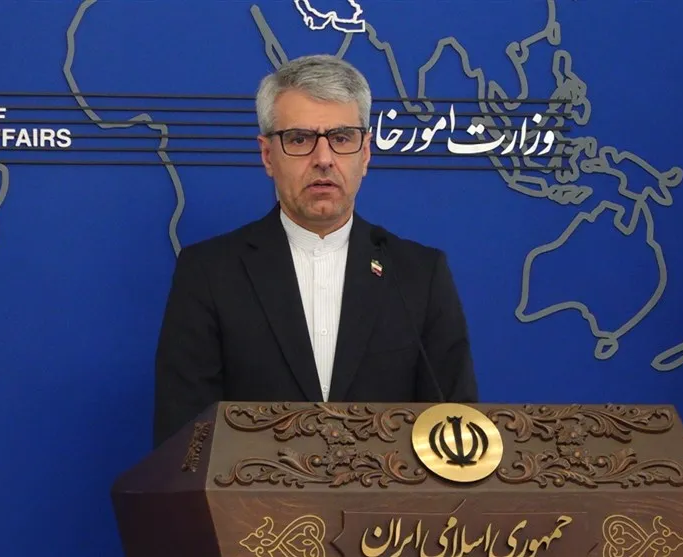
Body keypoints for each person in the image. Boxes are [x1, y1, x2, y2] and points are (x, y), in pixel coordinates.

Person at [152, 54, 477, 448]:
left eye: (341, 138)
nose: (323, 160)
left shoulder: (419, 274)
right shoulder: (209, 273)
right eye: (300, 139)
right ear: (267, 156)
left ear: (365, 153)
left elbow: (456, 431)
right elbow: (184, 443)